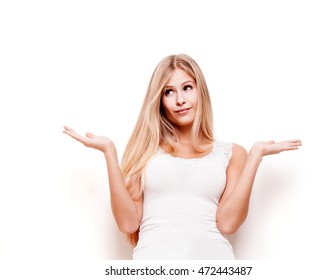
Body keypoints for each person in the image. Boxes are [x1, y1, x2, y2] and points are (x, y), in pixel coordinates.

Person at [63, 54, 302, 259]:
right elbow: (128, 224)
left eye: (187, 87)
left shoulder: (232, 154)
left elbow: (228, 224)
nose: (180, 100)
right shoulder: (145, 151)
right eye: (169, 92)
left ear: (200, 90)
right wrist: (109, 152)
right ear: (159, 101)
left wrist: (255, 156)